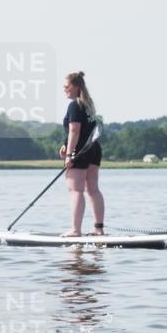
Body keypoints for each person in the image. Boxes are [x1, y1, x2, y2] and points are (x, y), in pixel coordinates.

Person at [60, 71, 104, 236]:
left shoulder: (74, 105)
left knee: (76, 190)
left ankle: (75, 230)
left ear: (76, 87)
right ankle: (99, 229)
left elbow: (75, 130)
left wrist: (70, 154)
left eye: (66, 86)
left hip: (81, 151)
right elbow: (84, 130)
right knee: (93, 189)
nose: (64, 89)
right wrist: (65, 145)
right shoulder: (88, 103)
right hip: (94, 149)